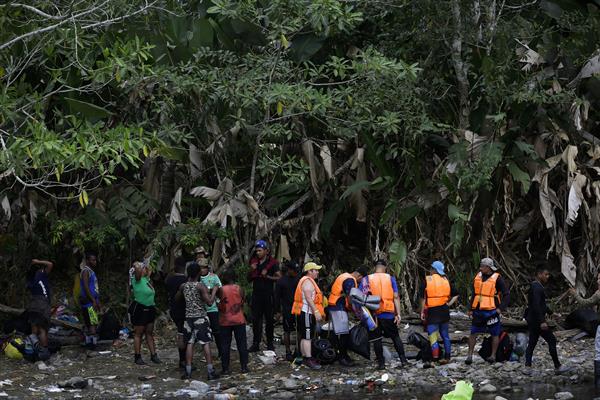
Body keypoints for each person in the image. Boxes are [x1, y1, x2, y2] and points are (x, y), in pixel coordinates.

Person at [359, 259, 408, 370]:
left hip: (373, 314)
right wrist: (398, 314)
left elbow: (360, 296)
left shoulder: (367, 279)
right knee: (395, 337)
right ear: (385, 268)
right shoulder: (390, 278)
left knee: (377, 339)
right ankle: (403, 360)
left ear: (375, 267)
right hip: (389, 312)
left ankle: (381, 364)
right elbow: (395, 296)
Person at [177, 261, 219, 380]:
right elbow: (210, 302)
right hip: (200, 317)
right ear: (198, 273)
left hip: (188, 318)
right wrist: (215, 290)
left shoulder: (183, 286)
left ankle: (188, 371)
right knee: (205, 343)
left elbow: (177, 298)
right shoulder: (200, 286)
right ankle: (210, 371)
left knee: (190, 343)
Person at [465, 257, 510, 365]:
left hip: (492, 311)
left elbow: (506, 294)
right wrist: (470, 309)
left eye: (482, 266)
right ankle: (469, 355)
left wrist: (500, 309)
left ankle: (493, 356)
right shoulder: (478, 277)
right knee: (473, 332)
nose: (480, 268)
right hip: (478, 310)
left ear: (488, 267)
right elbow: (474, 294)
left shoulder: (497, 278)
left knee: (495, 333)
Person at [524, 266, 568, 374]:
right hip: (536, 321)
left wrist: (552, 313)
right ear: (539, 274)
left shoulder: (536, 286)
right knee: (551, 340)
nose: (547, 277)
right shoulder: (537, 288)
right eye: (546, 274)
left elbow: (541, 305)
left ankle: (527, 367)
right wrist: (542, 321)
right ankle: (557, 366)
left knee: (532, 342)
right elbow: (536, 305)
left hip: (533, 319)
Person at [419, 261, 459, 368]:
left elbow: (423, 298)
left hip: (433, 312)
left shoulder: (427, 280)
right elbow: (456, 294)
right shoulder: (446, 281)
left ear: (433, 269)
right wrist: (449, 304)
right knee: (445, 335)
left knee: (433, 336)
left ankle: (435, 359)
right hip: (444, 311)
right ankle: (447, 357)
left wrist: (422, 311)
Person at [327, 266, 369, 366]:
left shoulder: (343, 275)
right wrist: (357, 311)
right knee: (343, 333)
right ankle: (342, 357)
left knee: (337, 333)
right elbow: (350, 297)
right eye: (360, 280)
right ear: (359, 276)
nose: (359, 282)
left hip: (334, 306)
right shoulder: (350, 280)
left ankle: (339, 355)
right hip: (338, 307)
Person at [247, 240, 281, 352]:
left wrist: (268, 277)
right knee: (256, 320)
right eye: (256, 251)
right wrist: (251, 270)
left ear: (266, 251)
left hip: (268, 295)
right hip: (256, 295)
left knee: (269, 320)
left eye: (260, 250)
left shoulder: (273, 263)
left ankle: (270, 343)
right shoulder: (253, 262)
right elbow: (248, 279)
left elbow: (279, 278)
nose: (258, 253)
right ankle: (256, 343)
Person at [291, 262, 325, 370]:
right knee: (307, 337)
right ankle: (309, 359)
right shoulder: (307, 282)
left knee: (305, 336)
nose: (317, 272)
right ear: (309, 271)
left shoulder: (307, 280)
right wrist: (316, 311)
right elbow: (309, 298)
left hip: (304, 312)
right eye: (315, 270)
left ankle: (302, 358)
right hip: (306, 312)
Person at [569, 273, 600, 388]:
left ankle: (598, 384)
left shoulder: (598, 294)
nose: (598, 281)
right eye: (597, 278)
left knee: (598, 352)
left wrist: (575, 294)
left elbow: (584, 302)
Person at [217, 269, 249, 375]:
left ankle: (225, 368)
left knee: (225, 345)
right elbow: (243, 301)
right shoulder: (240, 288)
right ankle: (244, 367)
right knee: (242, 344)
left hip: (225, 320)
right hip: (239, 319)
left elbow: (219, 303)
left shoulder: (221, 289)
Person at [129, 261, 160, 365]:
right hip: (140, 309)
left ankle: (153, 355)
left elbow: (149, 268)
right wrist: (137, 265)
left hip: (150, 308)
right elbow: (137, 271)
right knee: (138, 333)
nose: (144, 269)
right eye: (142, 268)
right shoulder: (136, 280)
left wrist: (145, 264)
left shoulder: (146, 280)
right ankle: (137, 356)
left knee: (149, 333)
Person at [26, 258, 54, 359]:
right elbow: (50, 264)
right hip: (42, 304)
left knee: (34, 329)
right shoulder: (41, 273)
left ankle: (34, 351)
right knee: (43, 330)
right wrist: (38, 262)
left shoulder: (29, 279)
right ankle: (44, 352)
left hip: (33, 304)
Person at [166, 256, 189, 368]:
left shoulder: (169, 280)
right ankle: (186, 360)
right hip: (186, 311)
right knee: (188, 336)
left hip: (174, 310)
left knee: (180, 333)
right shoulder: (186, 281)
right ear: (184, 267)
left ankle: (182, 359)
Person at [275, 260, 301, 361]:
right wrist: (277, 311)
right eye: (293, 270)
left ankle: (297, 350)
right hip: (287, 309)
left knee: (298, 331)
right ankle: (288, 351)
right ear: (289, 270)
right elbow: (277, 297)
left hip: (297, 308)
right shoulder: (281, 281)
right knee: (287, 331)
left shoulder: (299, 279)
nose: (295, 272)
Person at [200, 258, 222, 358]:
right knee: (203, 333)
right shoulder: (196, 278)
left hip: (212, 309)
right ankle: (206, 354)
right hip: (201, 310)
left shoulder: (214, 277)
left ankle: (221, 351)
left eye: (204, 268)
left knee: (216, 331)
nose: (202, 270)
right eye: (200, 268)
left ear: (207, 268)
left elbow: (220, 290)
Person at [80, 252, 101, 349]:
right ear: (88, 261)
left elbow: (95, 288)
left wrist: (97, 300)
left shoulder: (92, 272)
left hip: (92, 300)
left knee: (92, 321)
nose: (95, 262)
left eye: (95, 260)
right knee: (92, 322)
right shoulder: (85, 271)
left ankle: (90, 343)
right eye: (93, 260)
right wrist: (93, 300)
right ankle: (92, 345)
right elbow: (86, 286)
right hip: (88, 301)